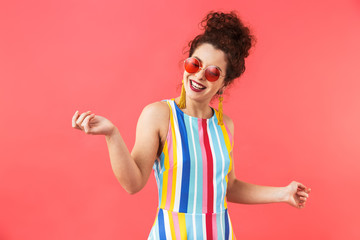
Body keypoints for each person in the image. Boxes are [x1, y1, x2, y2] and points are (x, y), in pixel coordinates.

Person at [72, 11, 311, 239]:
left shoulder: (225, 125)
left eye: (212, 73)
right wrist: (112, 134)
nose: (198, 76)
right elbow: (133, 184)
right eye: (194, 64)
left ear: (224, 83)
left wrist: (283, 193)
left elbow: (229, 187)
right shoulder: (159, 114)